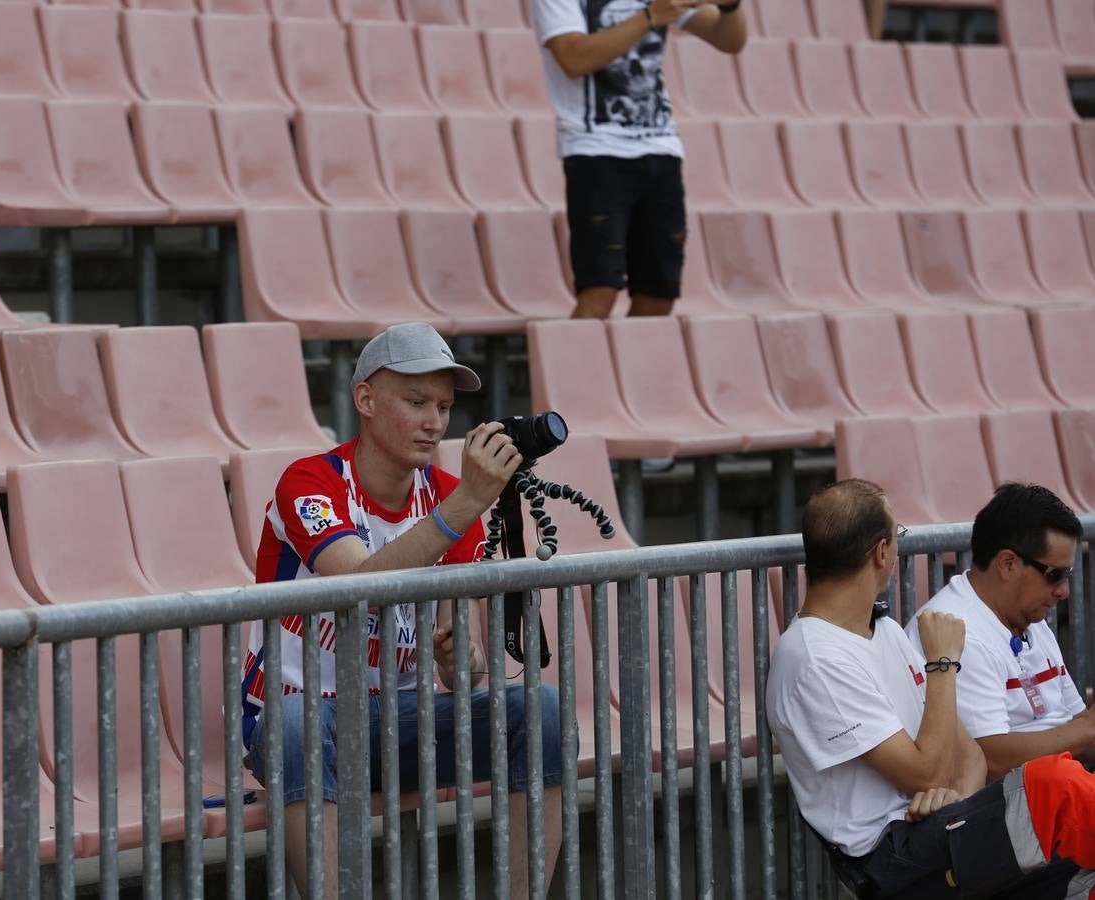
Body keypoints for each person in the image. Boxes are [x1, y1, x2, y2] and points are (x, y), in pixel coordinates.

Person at [241, 322, 566, 898]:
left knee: (541, 708)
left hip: (403, 721)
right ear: (365, 399)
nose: (434, 422)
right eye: (415, 402)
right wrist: (467, 503)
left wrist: (459, 658)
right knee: (295, 724)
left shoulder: (448, 497)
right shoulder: (309, 481)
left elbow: (457, 669)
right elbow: (359, 584)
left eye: (442, 406)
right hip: (299, 723)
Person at [767, 479, 1095, 898]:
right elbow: (931, 770)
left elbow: (969, 755)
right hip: (892, 856)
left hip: (942, 826)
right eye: (897, 535)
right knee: (1056, 788)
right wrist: (943, 664)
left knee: (1082, 875)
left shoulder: (881, 629)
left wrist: (955, 800)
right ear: (882, 552)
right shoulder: (814, 658)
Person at [533, 0, 747, 319]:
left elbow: (729, 40)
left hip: (661, 148)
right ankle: (578, 369)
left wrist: (730, 7)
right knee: (599, 289)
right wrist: (650, 17)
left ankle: (640, 369)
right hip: (595, 152)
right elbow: (573, 57)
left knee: (659, 293)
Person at [907, 484, 1094, 782]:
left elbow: (1073, 724)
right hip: (1007, 810)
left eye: (1068, 575)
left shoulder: (1031, 617)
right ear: (1007, 564)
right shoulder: (958, 630)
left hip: (1059, 792)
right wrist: (1088, 729)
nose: (1064, 591)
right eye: (1056, 575)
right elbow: (990, 759)